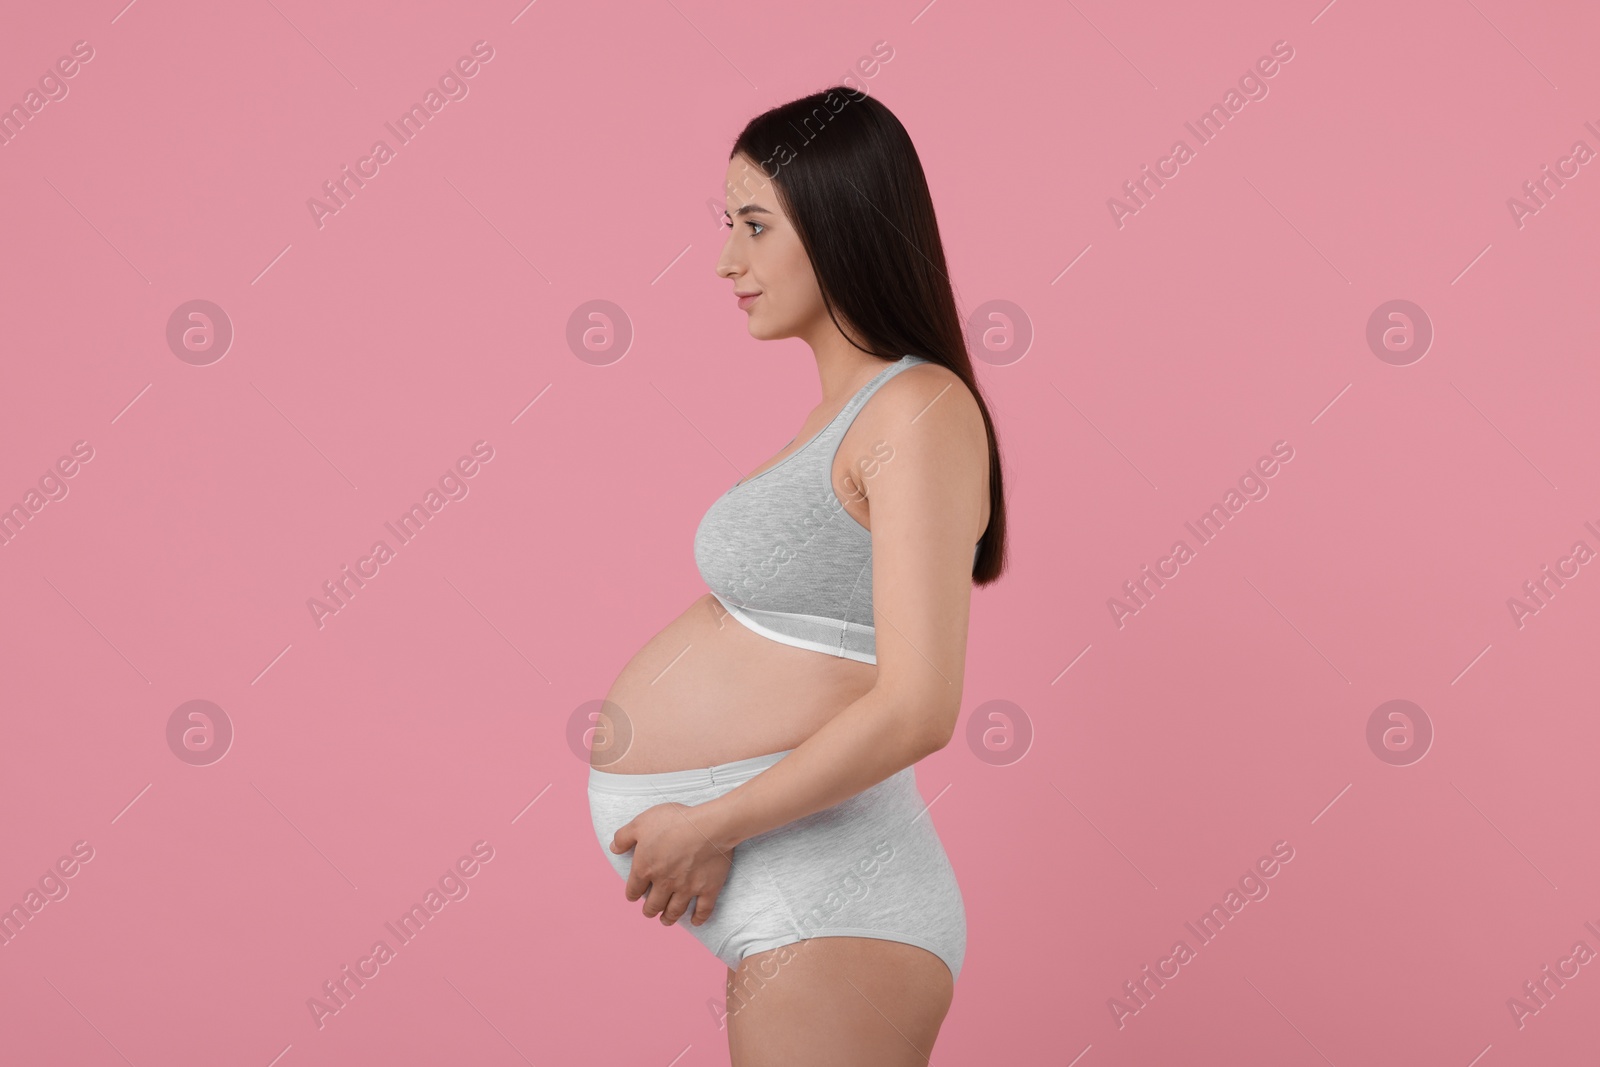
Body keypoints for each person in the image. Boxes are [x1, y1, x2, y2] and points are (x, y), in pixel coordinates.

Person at [586, 86, 1008, 1066]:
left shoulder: (917, 410)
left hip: (835, 885)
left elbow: (917, 707)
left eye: (755, 226)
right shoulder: (846, 413)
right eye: (727, 225)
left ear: (838, 221)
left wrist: (710, 823)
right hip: (786, 871)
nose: (727, 260)